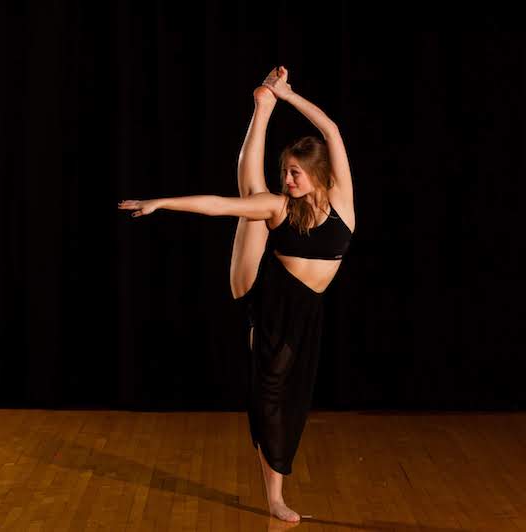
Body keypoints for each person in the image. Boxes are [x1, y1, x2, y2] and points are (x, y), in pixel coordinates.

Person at [117, 66, 355, 522]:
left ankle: (264, 105)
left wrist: (287, 94)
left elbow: (331, 129)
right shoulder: (280, 207)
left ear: (319, 174)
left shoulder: (342, 203)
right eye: (285, 172)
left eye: (295, 173)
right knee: (251, 200)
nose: (287, 179)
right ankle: (276, 498)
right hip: (260, 296)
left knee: (254, 195)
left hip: (303, 313)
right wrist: (162, 203)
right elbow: (218, 206)